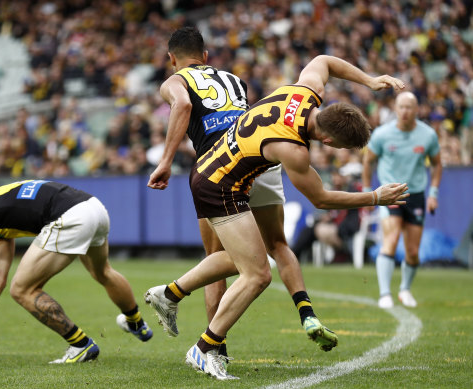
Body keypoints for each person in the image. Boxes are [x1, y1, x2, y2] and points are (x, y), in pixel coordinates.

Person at [145, 54, 408, 380]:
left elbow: (323, 61)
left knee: (234, 260)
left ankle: (169, 294)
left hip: (212, 169)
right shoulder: (293, 149)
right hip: (220, 187)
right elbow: (322, 199)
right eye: (339, 147)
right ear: (328, 140)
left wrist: (369, 80)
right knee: (257, 275)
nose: (336, 151)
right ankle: (203, 348)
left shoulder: (305, 91)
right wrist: (375, 197)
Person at [147, 26, 337, 356]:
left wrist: (165, 160)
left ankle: (212, 347)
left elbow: (181, 105)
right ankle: (304, 312)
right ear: (206, 57)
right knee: (274, 244)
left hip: (218, 169)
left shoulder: (175, 81)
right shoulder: (235, 80)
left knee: (220, 259)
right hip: (257, 158)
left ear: (171, 59)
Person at [0, 172, 152, 363]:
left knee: (22, 289)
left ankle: (81, 345)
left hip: (70, 216)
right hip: (94, 208)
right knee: (103, 272)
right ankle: (136, 323)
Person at [362, 91, 442, 309]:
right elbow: (368, 161)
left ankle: (405, 290)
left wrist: (433, 194)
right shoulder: (382, 134)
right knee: (392, 237)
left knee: (413, 252)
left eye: (409, 107)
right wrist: (369, 192)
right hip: (391, 193)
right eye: (401, 107)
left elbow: (437, 164)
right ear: (395, 109)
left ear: (417, 110)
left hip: (416, 194)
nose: (405, 111)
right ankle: (385, 294)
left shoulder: (427, 135)